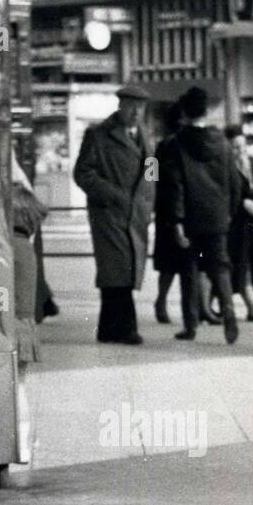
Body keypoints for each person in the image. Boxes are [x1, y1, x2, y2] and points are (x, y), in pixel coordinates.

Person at [73, 84, 155, 345]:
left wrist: (148, 199)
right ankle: (124, 328)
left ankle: (109, 328)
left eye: (140, 107)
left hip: (136, 213)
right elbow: (82, 173)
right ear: (120, 106)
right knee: (118, 269)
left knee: (123, 270)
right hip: (109, 213)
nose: (135, 112)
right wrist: (113, 195)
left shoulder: (145, 135)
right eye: (131, 106)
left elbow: (152, 170)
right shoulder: (98, 135)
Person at [161, 86, 243, 345]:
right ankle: (229, 311)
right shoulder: (222, 143)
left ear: (184, 112)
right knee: (220, 268)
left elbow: (176, 185)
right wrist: (228, 212)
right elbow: (235, 182)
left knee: (190, 271)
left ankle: (191, 325)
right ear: (206, 111)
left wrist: (176, 221)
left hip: (190, 219)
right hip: (218, 217)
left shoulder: (177, 143)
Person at [10, 152, 44, 464]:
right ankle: (25, 445)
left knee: (16, 389)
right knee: (19, 387)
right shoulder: (27, 247)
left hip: (15, 327)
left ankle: (21, 445)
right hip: (26, 326)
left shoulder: (14, 249)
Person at [225, 126, 253, 323]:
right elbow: (222, 194)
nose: (240, 150)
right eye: (235, 146)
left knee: (244, 263)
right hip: (235, 223)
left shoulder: (249, 163)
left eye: (242, 145)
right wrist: (242, 203)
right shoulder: (225, 166)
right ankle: (251, 307)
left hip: (251, 224)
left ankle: (210, 306)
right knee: (240, 265)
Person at [152, 100, 186, 326]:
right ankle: (162, 301)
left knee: (174, 263)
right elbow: (150, 175)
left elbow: (149, 175)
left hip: (168, 207)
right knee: (171, 262)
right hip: (169, 208)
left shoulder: (160, 146)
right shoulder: (168, 146)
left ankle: (163, 301)